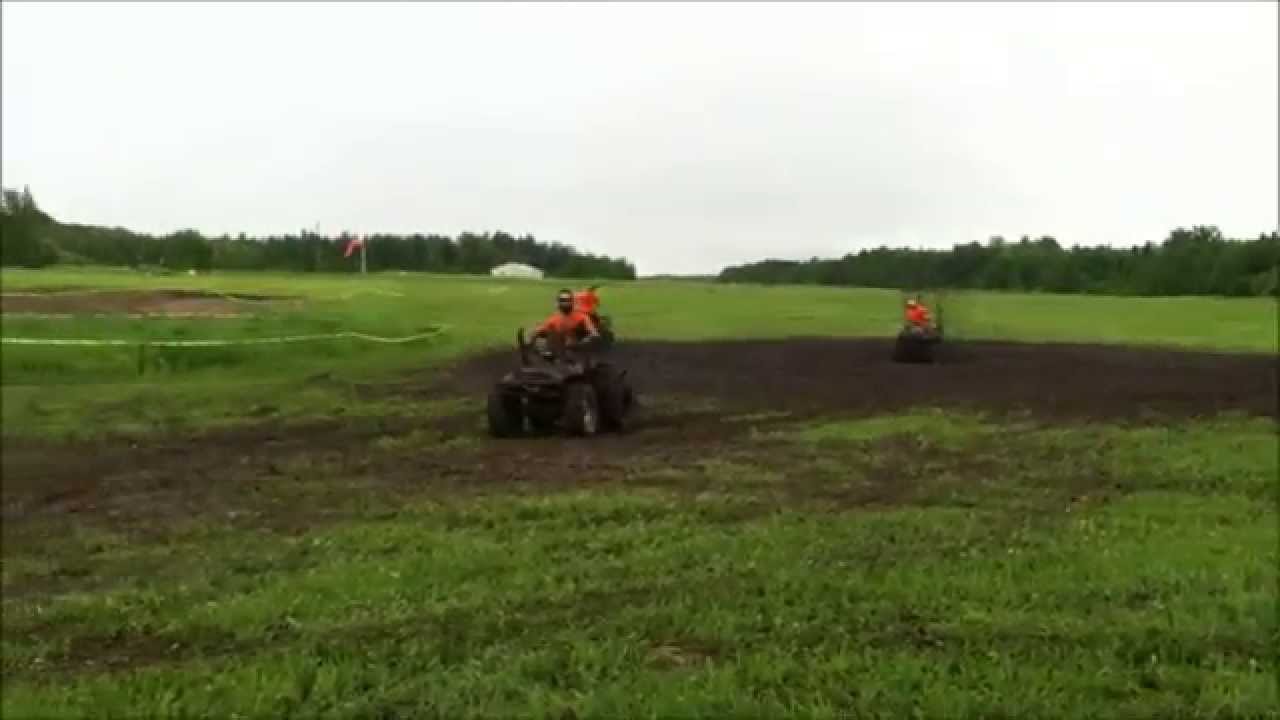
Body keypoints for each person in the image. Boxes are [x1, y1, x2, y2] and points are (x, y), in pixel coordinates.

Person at [531, 289, 599, 347]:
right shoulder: (553, 319)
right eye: (562, 300)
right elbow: (539, 331)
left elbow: (594, 335)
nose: (565, 303)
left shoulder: (582, 318)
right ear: (558, 302)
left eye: (567, 300)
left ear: (572, 302)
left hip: (579, 351)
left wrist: (581, 343)